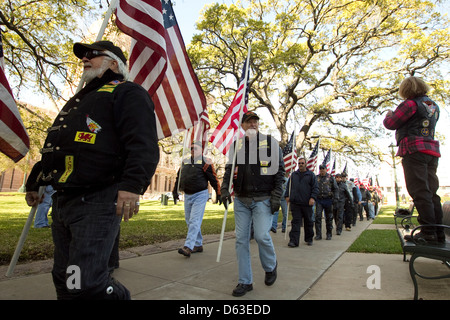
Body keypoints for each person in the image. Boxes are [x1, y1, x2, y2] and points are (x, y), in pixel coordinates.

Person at [25, 40, 159, 299]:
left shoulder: (127, 92)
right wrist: (35, 182)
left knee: (86, 281)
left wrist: (132, 186)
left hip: (97, 200)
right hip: (64, 201)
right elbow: (59, 148)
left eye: (93, 55)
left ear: (113, 63)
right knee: (65, 278)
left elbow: (143, 144)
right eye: (84, 56)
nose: (85, 59)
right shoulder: (80, 100)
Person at [221, 111, 285, 297]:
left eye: (255, 122)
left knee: (261, 235)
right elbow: (229, 170)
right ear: (242, 126)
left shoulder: (270, 143)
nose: (253, 125)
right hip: (241, 199)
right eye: (249, 122)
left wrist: (276, 196)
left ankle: (270, 266)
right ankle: (245, 281)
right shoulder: (237, 146)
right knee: (241, 239)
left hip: (263, 199)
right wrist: (225, 189)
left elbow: (280, 172)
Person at [383, 76, 444, 244]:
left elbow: (391, 123)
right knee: (432, 192)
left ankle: (428, 232)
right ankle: (439, 232)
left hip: (413, 150)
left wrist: (389, 114)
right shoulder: (433, 105)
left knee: (419, 191)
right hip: (431, 151)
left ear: (406, 90)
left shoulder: (410, 104)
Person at [173, 141, 221, 257]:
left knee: (194, 220)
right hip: (187, 195)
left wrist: (219, 193)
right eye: (192, 148)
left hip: (200, 194)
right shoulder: (185, 162)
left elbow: (213, 179)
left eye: (196, 148)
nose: (193, 150)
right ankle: (198, 244)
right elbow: (179, 177)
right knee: (189, 220)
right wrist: (175, 191)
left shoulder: (206, 162)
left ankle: (188, 246)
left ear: (202, 150)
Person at [285, 157, 318, 247]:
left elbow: (315, 188)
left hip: (307, 203)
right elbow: (289, 186)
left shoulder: (311, 175)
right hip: (295, 203)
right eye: (299, 163)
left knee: (308, 222)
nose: (301, 165)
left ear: (306, 164)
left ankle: (309, 238)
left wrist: (312, 198)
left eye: (302, 163)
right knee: (295, 222)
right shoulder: (293, 175)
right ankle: (294, 241)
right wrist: (287, 196)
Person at [314, 164, 338, 240]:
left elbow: (336, 189)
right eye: (320, 169)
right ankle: (318, 234)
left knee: (329, 218)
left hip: (328, 199)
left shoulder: (330, 178)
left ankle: (329, 234)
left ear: (326, 169)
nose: (322, 170)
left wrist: (335, 198)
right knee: (318, 217)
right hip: (319, 200)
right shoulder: (316, 178)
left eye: (323, 169)